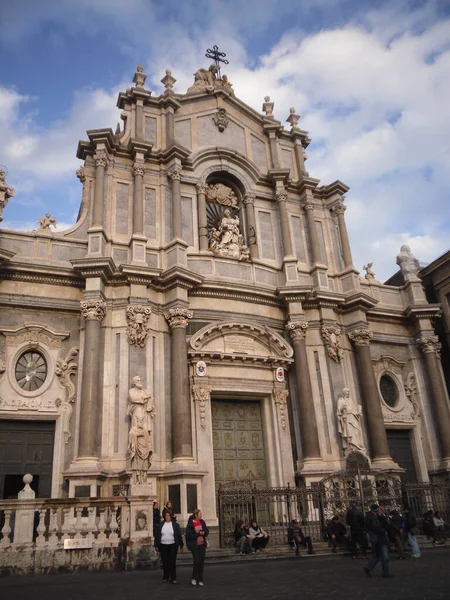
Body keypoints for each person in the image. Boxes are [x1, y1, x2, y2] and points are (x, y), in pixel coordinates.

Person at [364, 504, 394, 578]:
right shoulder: (373, 516)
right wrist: (383, 531)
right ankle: (386, 572)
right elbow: (376, 527)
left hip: (376, 538)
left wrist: (381, 516)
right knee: (384, 556)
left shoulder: (373, 516)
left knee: (377, 554)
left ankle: (368, 567)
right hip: (380, 538)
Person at [154, 511, 184, 584]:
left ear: (171, 516)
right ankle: (166, 577)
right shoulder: (161, 525)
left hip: (173, 545)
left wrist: (181, 545)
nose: (167, 517)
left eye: (168, 516)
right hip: (163, 545)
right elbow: (157, 536)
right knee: (165, 562)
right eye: (166, 516)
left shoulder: (175, 525)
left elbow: (179, 535)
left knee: (172, 561)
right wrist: (156, 545)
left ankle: (173, 578)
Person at [186, 508, 209, 586]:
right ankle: (193, 578)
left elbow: (207, 531)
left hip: (202, 545)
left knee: (201, 562)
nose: (201, 516)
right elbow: (189, 535)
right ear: (196, 515)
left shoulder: (202, 522)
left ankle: (200, 579)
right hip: (194, 545)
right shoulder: (190, 524)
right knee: (197, 561)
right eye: (200, 514)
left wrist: (204, 532)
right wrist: (198, 534)